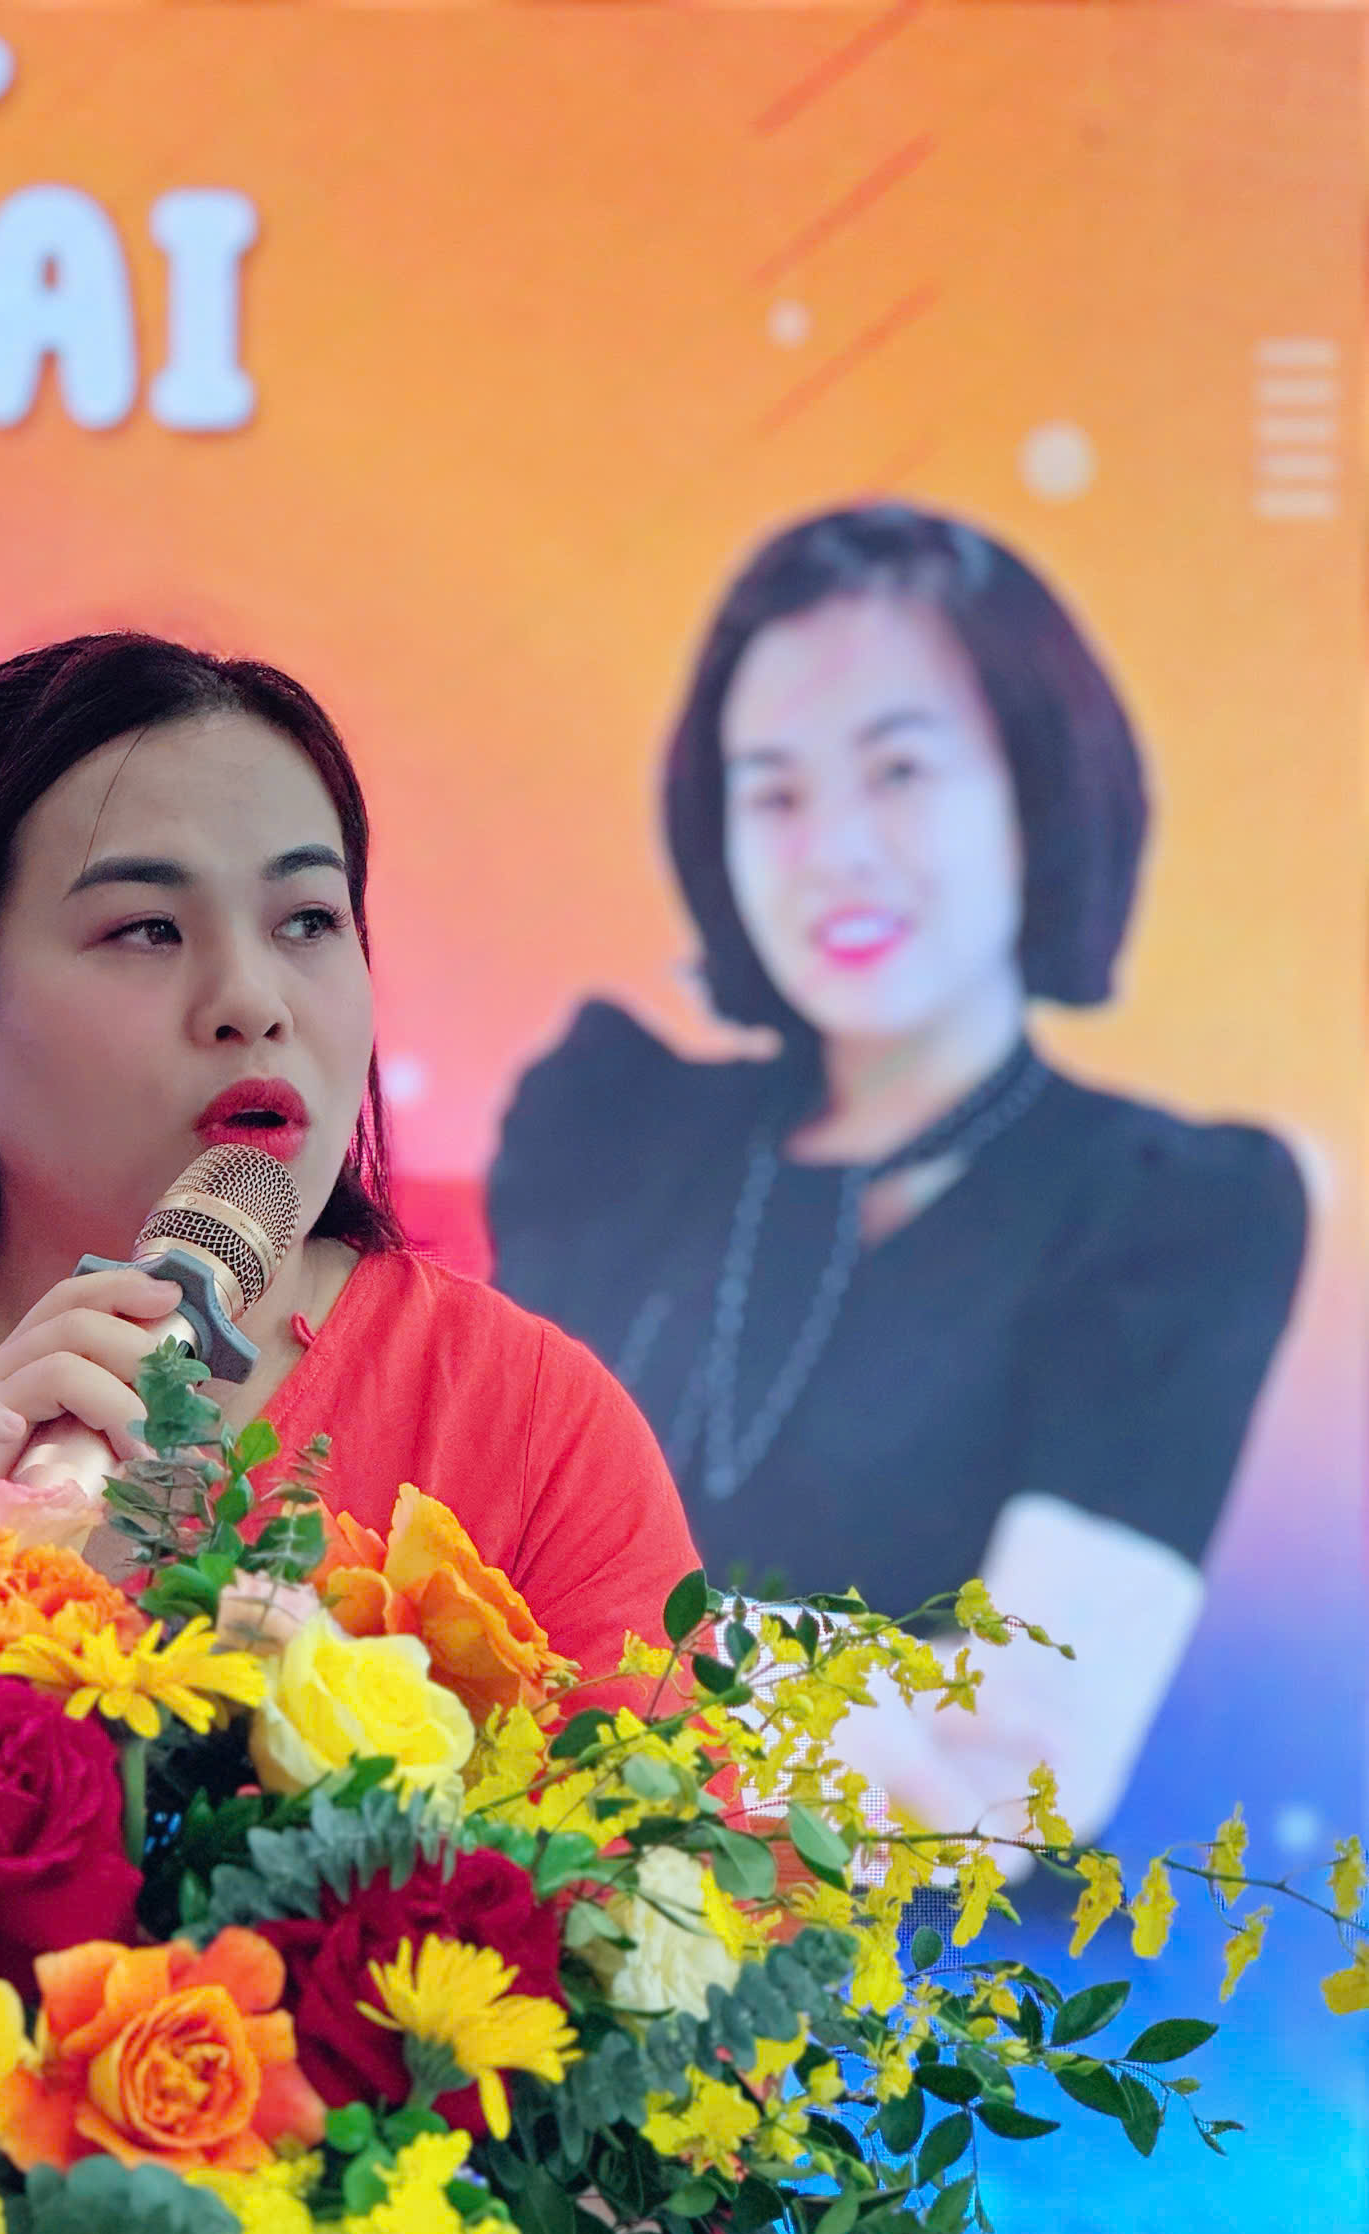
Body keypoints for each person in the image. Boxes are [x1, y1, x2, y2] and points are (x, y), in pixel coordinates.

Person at [0, 634, 697, 1690]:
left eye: (308, 920)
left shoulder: (530, 1421)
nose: (251, 1000)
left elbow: (687, 1847)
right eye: (147, 928)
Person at [487, 503, 1307, 1851]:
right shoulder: (606, 1128)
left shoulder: (1178, 1208)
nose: (836, 851)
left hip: (918, 1966)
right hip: (508, 1920)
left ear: (1039, 794)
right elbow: (445, 1559)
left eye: (900, 772)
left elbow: (1023, 1764)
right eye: (775, 793)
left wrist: (561, 1649)